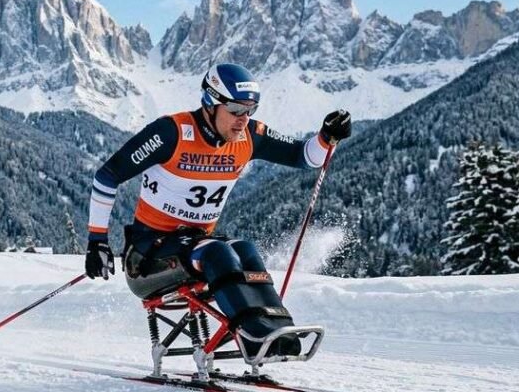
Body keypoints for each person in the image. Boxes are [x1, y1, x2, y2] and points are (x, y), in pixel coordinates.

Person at [84, 63, 351, 357]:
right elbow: (107, 176)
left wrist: (327, 137)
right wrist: (97, 241)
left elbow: (305, 156)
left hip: (194, 245)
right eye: (235, 110)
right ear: (211, 103)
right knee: (217, 252)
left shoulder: (249, 135)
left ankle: (274, 331)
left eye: (250, 110)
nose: (243, 119)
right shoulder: (171, 133)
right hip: (148, 257)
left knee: (245, 250)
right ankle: (253, 336)